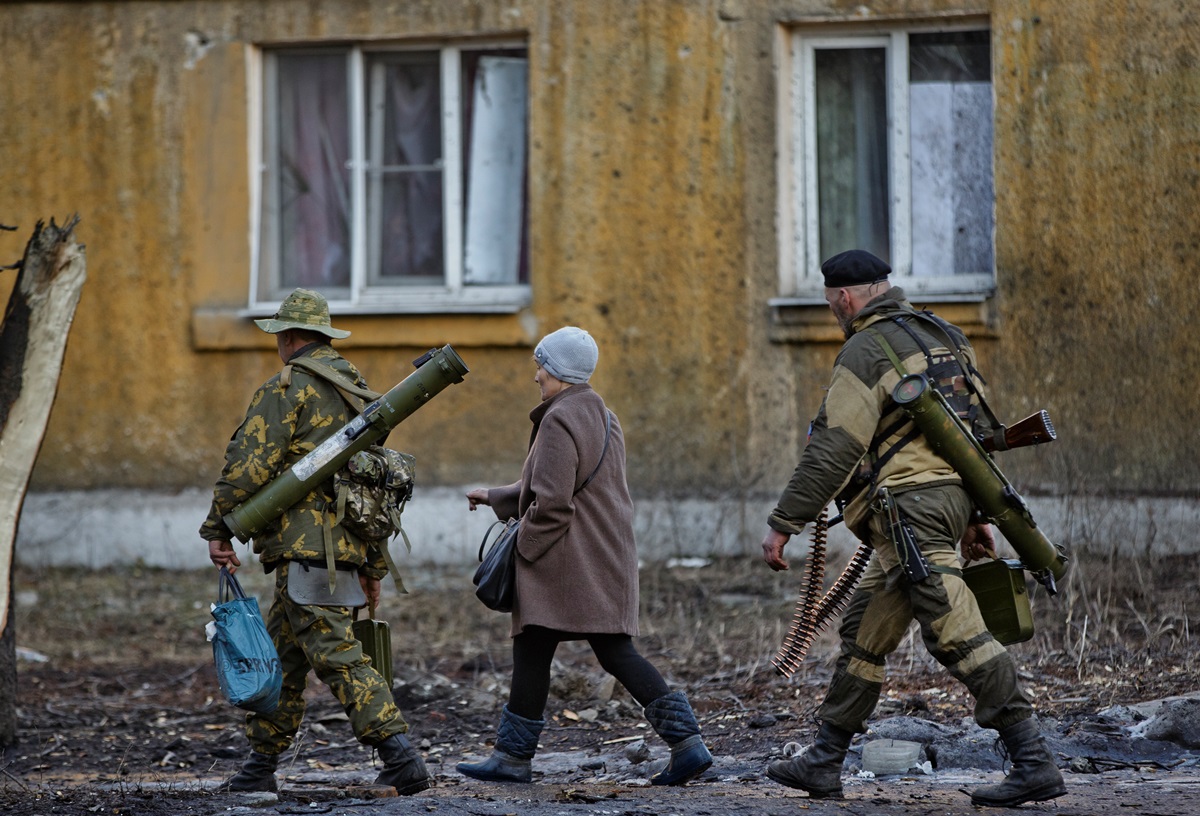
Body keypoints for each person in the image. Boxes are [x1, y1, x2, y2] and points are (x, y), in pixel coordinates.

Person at [759, 251, 1066, 808]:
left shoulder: (865, 348)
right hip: (936, 507)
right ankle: (824, 762)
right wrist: (973, 517)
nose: (834, 314)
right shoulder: (944, 335)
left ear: (845, 298)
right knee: (865, 633)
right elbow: (971, 435)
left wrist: (785, 522)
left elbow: (836, 447)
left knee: (958, 632)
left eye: (833, 306)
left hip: (910, 515)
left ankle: (1034, 761)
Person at [455, 326, 713, 786]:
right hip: (603, 555)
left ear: (556, 372)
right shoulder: (603, 416)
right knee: (602, 650)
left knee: (542, 646)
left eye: (541, 366)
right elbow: (561, 485)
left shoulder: (558, 419)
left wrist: (522, 551)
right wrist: (494, 494)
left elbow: (552, 503)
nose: (536, 375)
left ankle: (514, 759)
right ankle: (687, 744)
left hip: (565, 562)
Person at [201, 288, 431, 795]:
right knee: (283, 659)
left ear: (286, 337)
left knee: (335, 653)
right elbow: (373, 490)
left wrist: (219, 528)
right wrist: (372, 565)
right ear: (324, 336)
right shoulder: (360, 393)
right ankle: (260, 765)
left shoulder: (287, 388)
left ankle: (400, 755)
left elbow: (247, 468)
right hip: (341, 550)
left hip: (307, 553)